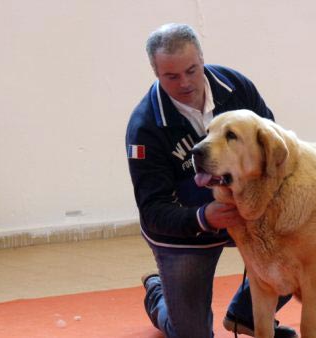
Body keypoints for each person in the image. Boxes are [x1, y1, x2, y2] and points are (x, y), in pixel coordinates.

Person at [125, 23, 296, 338]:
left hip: (246, 213)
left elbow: (274, 149)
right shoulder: (145, 127)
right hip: (185, 229)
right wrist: (204, 217)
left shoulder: (237, 88)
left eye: (191, 70)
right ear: (155, 72)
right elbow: (153, 211)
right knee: (191, 334)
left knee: (305, 247)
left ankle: (246, 315)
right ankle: (159, 295)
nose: (186, 83)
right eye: (171, 76)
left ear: (202, 58)